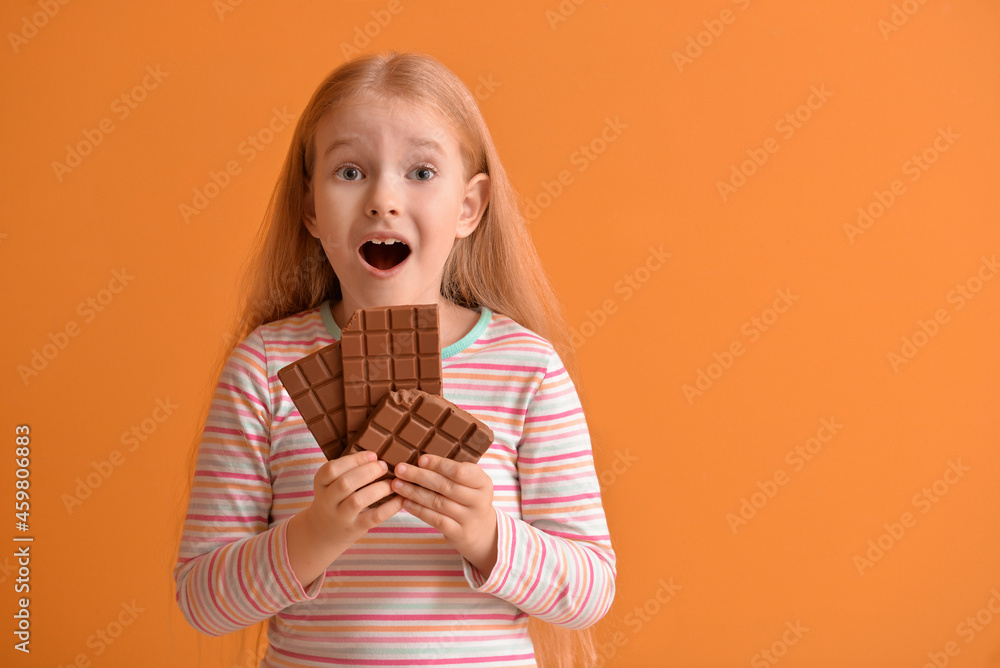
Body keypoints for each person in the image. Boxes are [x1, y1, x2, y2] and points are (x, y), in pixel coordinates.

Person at [172, 50, 616, 668]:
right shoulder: (264, 368)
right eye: (350, 172)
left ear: (469, 206)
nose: (382, 199)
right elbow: (202, 599)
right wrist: (315, 535)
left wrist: (488, 537)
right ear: (310, 209)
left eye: (422, 172)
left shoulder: (528, 371)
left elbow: (591, 589)